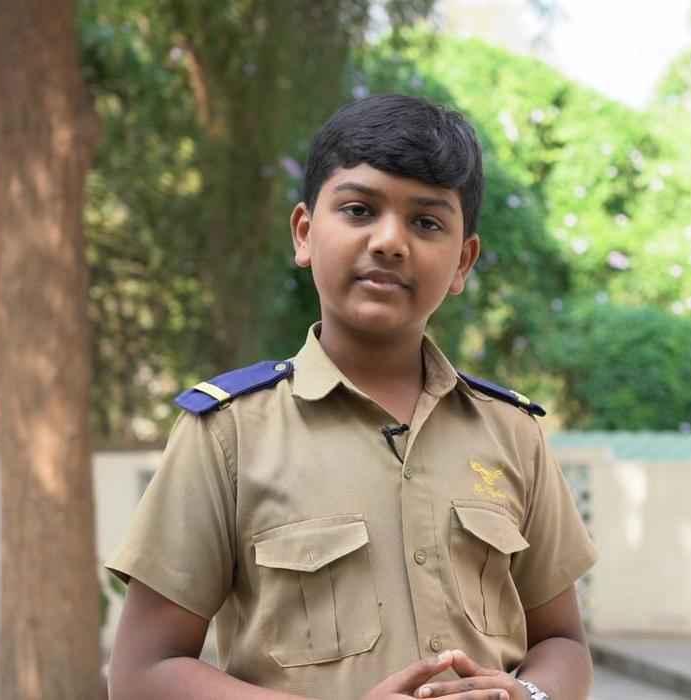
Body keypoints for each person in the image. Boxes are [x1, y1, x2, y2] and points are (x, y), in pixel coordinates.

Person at [106, 94, 597, 700]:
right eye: (360, 209)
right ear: (305, 233)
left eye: (427, 222)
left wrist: (530, 696)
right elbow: (144, 671)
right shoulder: (229, 433)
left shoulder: (512, 433)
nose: (390, 241)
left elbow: (563, 643)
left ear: (463, 261)